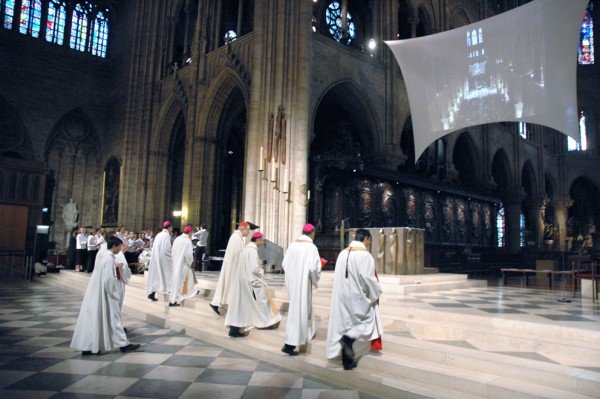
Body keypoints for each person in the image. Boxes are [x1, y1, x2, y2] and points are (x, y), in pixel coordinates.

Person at [70, 236, 140, 355]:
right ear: (113, 247)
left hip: (97, 291)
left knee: (96, 318)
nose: (120, 249)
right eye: (118, 247)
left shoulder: (104, 255)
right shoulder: (108, 258)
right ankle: (123, 344)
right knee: (113, 317)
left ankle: (89, 346)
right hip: (106, 293)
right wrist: (114, 293)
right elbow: (108, 279)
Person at [326, 228, 383, 370]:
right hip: (358, 297)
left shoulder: (342, 253)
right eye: (369, 240)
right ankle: (349, 338)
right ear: (365, 239)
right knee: (366, 321)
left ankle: (347, 360)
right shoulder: (365, 256)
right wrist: (377, 292)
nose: (369, 243)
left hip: (342, 296)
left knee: (346, 323)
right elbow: (368, 278)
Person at [225, 232, 281, 337]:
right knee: (263, 298)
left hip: (243, 280)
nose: (263, 242)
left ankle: (236, 328)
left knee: (241, 304)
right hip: (251, 280)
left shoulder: (247, 249)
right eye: (262, 240)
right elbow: (254, 268)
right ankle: (264, 321)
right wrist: (262, 271)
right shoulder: (252, 251)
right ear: (258, 240)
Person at [281, 223, 322, 356]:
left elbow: (284, 264)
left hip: (293, 285)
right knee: (301, 312)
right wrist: (314, 280)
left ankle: (292, 341)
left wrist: (292, 278)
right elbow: (313, 268)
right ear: (312, 233)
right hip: (303, 285)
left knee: (295, 311)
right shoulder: (311, 247)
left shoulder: (292, 245)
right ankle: (291, 344)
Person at [210, 221, 250, 315]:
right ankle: (220, 304)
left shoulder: (237, 237)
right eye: (247, 230)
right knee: (228, 285)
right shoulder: (236, 238)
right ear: (242, 229)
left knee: (225, 285)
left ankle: (217, 303)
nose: (248, 233)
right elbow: (237, 254)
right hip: (233, 267)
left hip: (232, 266)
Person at [169, 225, 199, 306]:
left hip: (176, 263)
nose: (191, 234)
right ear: (189, 232)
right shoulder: (187, 241)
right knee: (181, 282)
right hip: (183, 265)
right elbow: (189, 255)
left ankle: (191, 292)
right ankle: (175, 299)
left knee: (179, 281)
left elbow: (172, 251)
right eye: (191, 233)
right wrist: (190, 262)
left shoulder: (177, 239)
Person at [146, 221, 174, 301]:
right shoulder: (166, 236)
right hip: (164, 259)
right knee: (170, 275)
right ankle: (172, 294)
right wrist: (173, 256)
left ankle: (152, 293)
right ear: (169, 227)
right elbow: (167, 249)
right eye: (171, 228)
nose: (171, 229)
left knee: (157, 276)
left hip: (156, 258)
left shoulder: (159, 235)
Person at [115, 241, 132, 311]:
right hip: (119, 280)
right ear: (122, 246)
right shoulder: (120, 255)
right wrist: (128, 274)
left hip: (119, 279)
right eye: (125, 246)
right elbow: (123, 267)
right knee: (118, 300)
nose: (126, 248)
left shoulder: (119, 254)